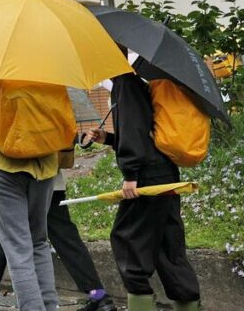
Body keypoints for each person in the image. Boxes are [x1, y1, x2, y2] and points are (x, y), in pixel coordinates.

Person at [86, 69, 201, 311]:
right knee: (168, 248)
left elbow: (135, 131)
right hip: (164, 173)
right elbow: (143, 134)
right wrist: (107, 138)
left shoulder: (125, 83)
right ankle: (189, 304)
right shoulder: (135, 81)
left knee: (129, 242)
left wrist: (131, 174)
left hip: (146, 177)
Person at [0, 67, 60, 311]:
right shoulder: (46, 62)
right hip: (45, 165)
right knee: (38, 242)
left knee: (18, 248)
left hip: (3, 165)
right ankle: (49, 306)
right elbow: (60, 114)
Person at [0, 169, 116, 311]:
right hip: (47, 170)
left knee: (12, 239)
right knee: (60, 234)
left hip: (9, 172)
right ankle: (98, 294)